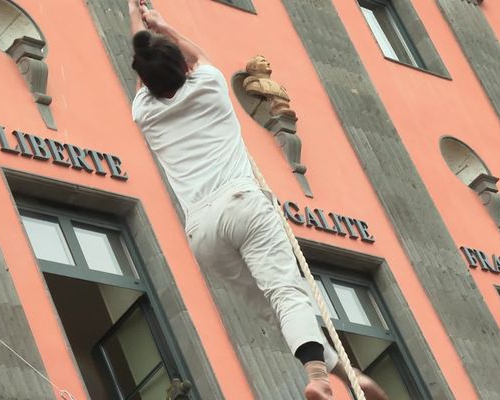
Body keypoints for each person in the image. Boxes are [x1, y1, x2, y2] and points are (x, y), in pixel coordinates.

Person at [128, 2, 387, 399]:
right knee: (287, 293)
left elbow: (145, 64)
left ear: (145, 80)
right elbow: (198, 58)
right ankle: (318, 376)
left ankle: (343, 372)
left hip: (201, 231)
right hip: (242, 204)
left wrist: (136, 19)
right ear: (182, 67)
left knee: (272, 307)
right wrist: (164, 24)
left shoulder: (143, 113)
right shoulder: (210, 85)